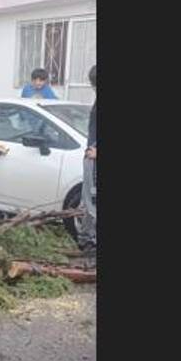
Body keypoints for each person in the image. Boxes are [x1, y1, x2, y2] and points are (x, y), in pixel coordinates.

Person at [76, 64, 97, 254]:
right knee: (88, 199)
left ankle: (89, 240)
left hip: (94, 158)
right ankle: (86, 240)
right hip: (91, 157)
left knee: (91, 201)